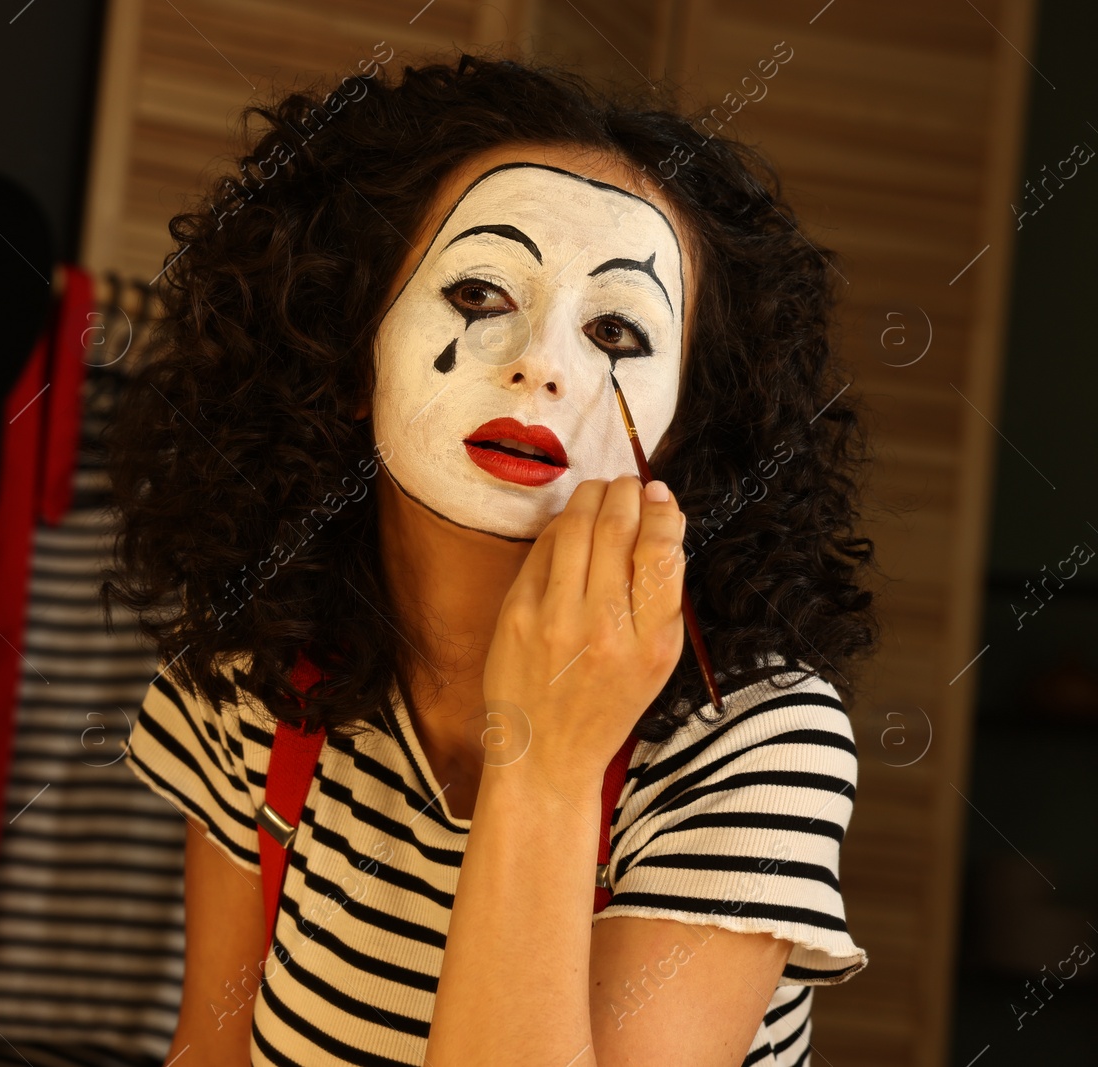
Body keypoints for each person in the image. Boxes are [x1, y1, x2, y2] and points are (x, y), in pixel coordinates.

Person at [100, 50, 879, 1067]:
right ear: (344, 351)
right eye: (478, 291)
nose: (542, 365)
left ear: (685, 425)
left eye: (612, 328)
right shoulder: (260, 678)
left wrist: (547, 768)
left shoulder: (753, 745)